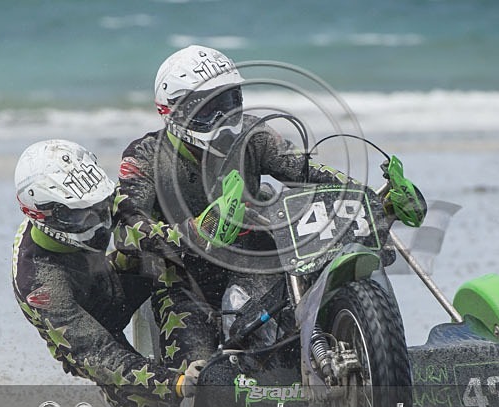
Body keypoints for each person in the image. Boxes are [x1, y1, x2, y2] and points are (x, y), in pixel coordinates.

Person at [112, 45, 427, 375]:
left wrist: (377, 199)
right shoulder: (144, 157)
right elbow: (125, 229)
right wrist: (197, 230)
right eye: (208, 107)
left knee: (315, 272)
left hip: (252, 259)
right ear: (171, 111)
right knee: (202, 384)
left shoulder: (253, 134)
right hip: (184, 279)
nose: (223, 117)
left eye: (228, 101)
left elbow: (308, 171)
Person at [11, 139, 202, 407]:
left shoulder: (90, 197)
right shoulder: (40, 285)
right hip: (89, 331)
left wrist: (198, 229)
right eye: (83, 218)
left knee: (167, 253)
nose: (100, 223)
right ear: (43, 216)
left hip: (109, 277)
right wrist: (176, 382)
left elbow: (136, 223)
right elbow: (98, 355)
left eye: (100, 207)